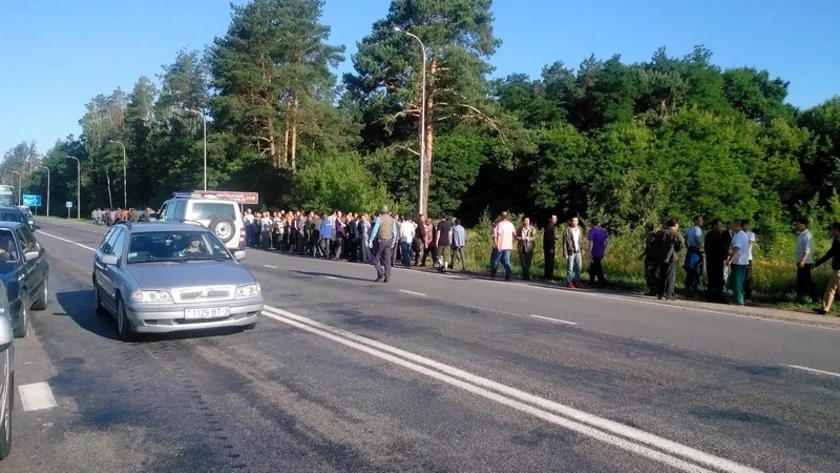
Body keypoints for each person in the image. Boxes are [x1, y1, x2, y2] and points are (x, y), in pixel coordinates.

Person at [652, 219, 684, 300]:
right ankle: (669, 294)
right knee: (670, 276)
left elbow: (653, 242)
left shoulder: (660, 232)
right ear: (675, 225)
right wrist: (676, 249)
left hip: (660, 257)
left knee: (661, 276)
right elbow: (682, 242)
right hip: (671, 257)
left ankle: (660, 293)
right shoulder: (675, 233)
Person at [813, 222, 840, 315]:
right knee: (830, 289)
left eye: (832, 229)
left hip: (839, 270)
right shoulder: (836, 240)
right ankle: (825, 308)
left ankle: (825, 308)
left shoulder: (838, 241)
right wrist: (817, 264)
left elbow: (829, 254)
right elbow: (829, 254)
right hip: (836, 270)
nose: (831, 231)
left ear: (837, 230)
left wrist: (816, 264)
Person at [368, 206, 397, 283]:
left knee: (375, 258)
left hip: (381, 241)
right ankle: (387, 278)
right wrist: (393, 241)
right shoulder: (392, 219)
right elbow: (394, 232)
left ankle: (381, 274)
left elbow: (375, 230)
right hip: (389, 241)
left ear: (381, 211)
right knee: (387, 260)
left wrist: (370, 240)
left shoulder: (379, 219)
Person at [794, 217, 819, 304]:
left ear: (803, 224)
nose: (797, 226)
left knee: (808, 281)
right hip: (801, 262)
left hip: (806, 262)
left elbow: (807, 250)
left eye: (798, 224)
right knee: (800, 281)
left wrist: (802, 261)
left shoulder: (807, 235)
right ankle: (799, 297)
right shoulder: (801, 234)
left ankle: (815, 298)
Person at [725, 220, 750, 306]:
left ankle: (739, 300)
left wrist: (730, 259)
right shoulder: (738, 235)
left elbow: (736, 248)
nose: (730, 226)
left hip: (740, 261)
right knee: (734, 280)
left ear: (737, 225)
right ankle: (738, 298)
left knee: (737, 281)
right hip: (739, 261)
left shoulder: (740, 235)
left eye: (732, 225)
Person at [490, 211, 515, 281]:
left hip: (500, 246)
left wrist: (497, 245)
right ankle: (508, 276)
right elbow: (514, 234)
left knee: (496, 260)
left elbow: (497, 235)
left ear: (501, 216)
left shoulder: (499, 225)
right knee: (507, 261)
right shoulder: (511, 225)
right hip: (508, 246)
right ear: (507, 217)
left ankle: (493, 274)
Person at [587, 219, 608, 287]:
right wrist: (605, 250)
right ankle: (591, 281)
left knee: (598, 268)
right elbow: (606, 242)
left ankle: (603, 283)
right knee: (592, 268)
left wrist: (589, 252)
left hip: (594, 251)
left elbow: (591, 242)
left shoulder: (592, 231)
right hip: (601, 251)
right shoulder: (603, 231)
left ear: (592, 224)